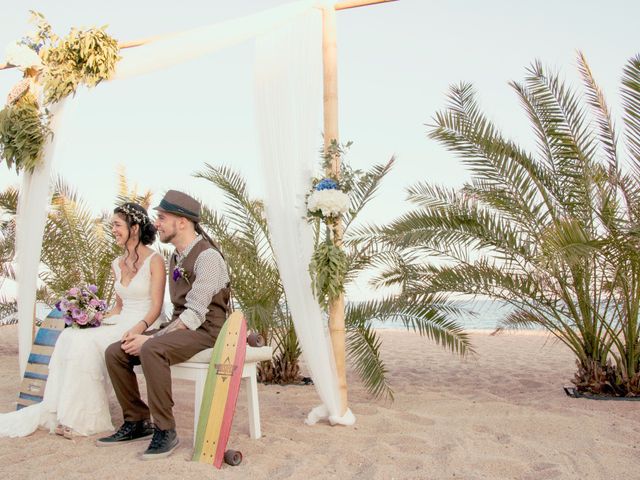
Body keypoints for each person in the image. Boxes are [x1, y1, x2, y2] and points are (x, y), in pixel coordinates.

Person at [0, 202, 165, 438]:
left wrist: (138, 328)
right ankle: (62, 413)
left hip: (144, 323)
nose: (114, 230)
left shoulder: (155, 260)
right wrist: (93, 318)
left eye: (118, 225)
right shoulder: (117, 264)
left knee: (85, 344)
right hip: (120, 320)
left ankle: (82, 419)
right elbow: (118, 307)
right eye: (112, 226)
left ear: (135, 227)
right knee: (71, 335)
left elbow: (157, 307)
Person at [97, 190, 231, 460]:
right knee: (116, 351)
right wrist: (147, 333)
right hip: (182, 327)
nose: (155, 223)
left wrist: (152, 339)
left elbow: (194, 315)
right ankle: (136, 421)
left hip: (207, 331)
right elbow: (179, 314)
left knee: (151, 349)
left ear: (182, 222)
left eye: (161, 218)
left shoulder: (208, 257)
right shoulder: (175, 257)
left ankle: (165, 430)